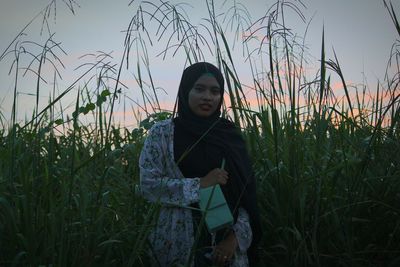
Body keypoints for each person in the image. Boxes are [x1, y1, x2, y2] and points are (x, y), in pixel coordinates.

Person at [139, 62, 261, 267]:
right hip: (176, 241)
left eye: (215, 91)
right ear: (185, 91)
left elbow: (247, 197)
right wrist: (200, 184)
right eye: (199, 89)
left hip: (226, 249)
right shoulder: (163, 133)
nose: (207, 97)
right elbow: (148, 185)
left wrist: (234, 239)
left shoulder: (229, 137)